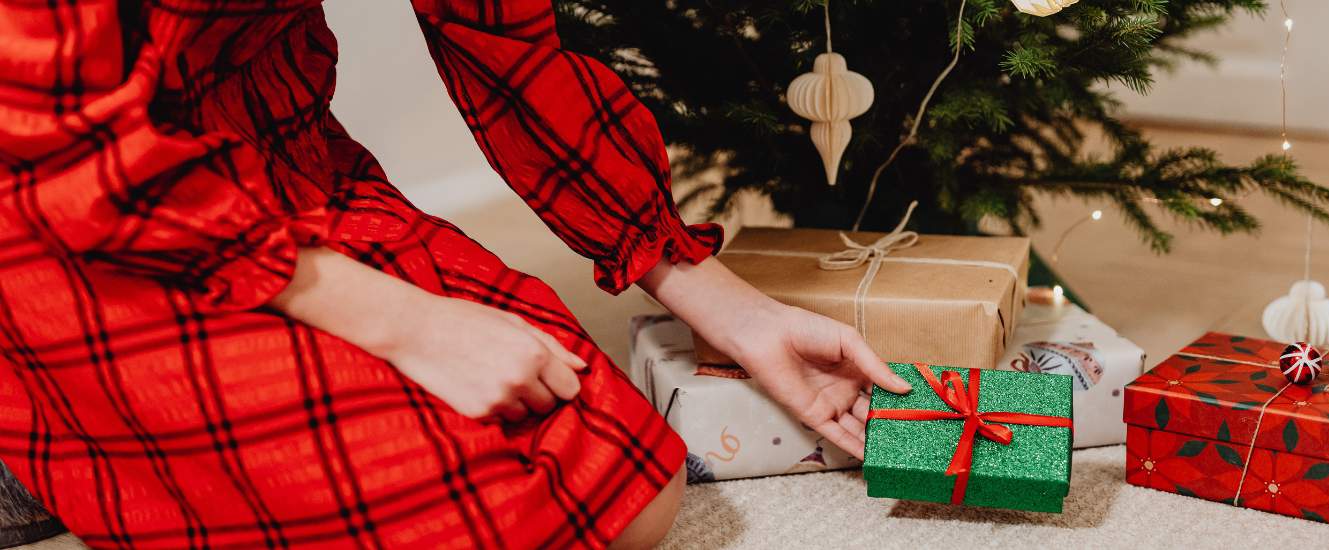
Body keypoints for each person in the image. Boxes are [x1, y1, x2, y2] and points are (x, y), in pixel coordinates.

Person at [0, 1, 911, 548]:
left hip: (284, 163)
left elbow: (502, 40)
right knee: (497, 525)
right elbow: (59, 146)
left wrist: (726, 305)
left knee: (626, 482)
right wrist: (405, 323)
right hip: (71, 197)